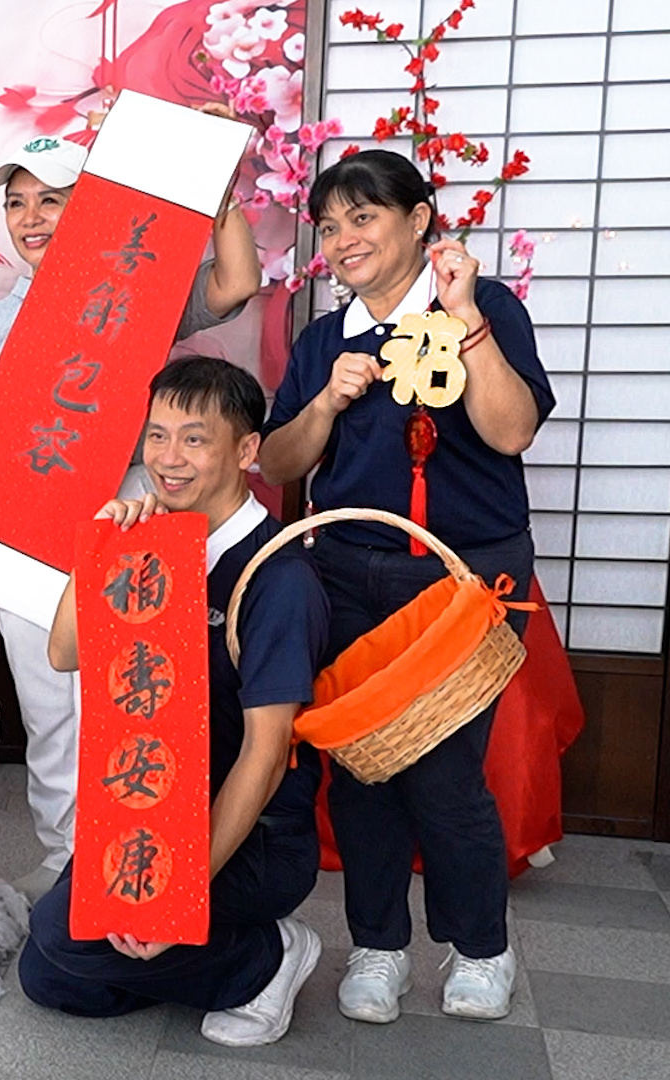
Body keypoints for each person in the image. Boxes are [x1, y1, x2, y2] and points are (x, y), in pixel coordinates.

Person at [258, 149, 550, 1024]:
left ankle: (479, 948)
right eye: (331, 224)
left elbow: (512, 431)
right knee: (360, 770)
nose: (344, 239)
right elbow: (277, 463)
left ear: (421, 218)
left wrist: (467, 322)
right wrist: (323, 405)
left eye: (364, 217)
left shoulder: (485, 308)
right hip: (347, 571)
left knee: (446, 773)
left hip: (464, 577)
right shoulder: (325, 338)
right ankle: (379, 946)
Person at [0, 130, 263, 900]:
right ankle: (64, 865)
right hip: (25, 538)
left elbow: (239, 279)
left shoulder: (132, 295)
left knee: (128, 701)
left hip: (130, 528)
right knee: (50, 713)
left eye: (51, 200)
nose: (30, 218)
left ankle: (138, 867)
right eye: (16, 203)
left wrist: (218, 189)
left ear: (88, 211)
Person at [22, 357, 328, 1047]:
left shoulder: (278, 575)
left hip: (254, 835)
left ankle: (268, 960)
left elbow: (268, 755)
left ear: (247, 451)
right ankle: (208, 955)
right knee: (47, 975)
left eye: (194, 438)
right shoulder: (154, 542)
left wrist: (174, 894)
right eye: (156, 436)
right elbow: (64, 653)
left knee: (63, 938)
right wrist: (101, 548)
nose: (168, 458)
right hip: (152, 808)